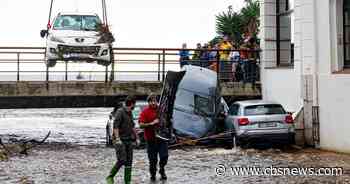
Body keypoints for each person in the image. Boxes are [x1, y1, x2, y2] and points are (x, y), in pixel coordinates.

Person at [106, 96, 138, 184]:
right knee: (122, 159)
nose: (134, 106)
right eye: (134, 104)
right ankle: (110, 176)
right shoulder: (120, 112)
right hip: (120, 140)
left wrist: (137, 138)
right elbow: (115, 127)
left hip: (129, 140)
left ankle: (127, 181)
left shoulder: (130, 113)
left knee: (129, 161)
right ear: (132, 104)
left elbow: (132, 126)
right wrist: (118, 139)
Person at [139, 94, 168, 182]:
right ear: (148, 102)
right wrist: (151, 123)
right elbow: (141, 125)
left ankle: (162, 169)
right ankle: (153, 175)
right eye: (151, 101)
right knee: (152, 160)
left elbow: (168, 119)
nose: (153, 103)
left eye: (155, 101)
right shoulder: (145, 112)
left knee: (164, 156)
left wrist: (165, 122)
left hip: (162, 138)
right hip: (150, 140)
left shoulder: (162, 110)